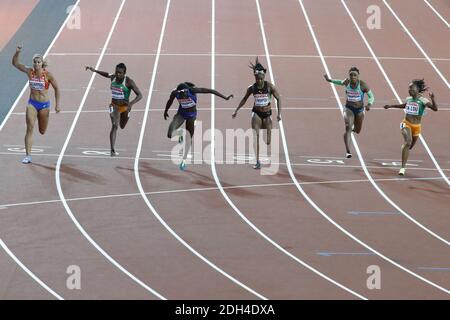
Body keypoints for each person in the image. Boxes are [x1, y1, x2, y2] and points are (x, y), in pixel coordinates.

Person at [164, 82, 233, 170]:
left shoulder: (192, 91)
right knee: (170, 134)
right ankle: (180, 134)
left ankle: (183, 161)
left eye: (183, 94)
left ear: (186, 91)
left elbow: (210, 91)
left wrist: (225, 97)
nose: (181, 96)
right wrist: (165, 111)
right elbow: (170, 101)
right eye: (180, 95)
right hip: (181, 115)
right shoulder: (175, 93)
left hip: (191, 116)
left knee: (189, 139)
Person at [12, 45, 60, 164]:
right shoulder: (29, 71)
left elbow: (57, 89)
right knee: (29, 128)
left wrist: (57, 105)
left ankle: (43, 122)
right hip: (32, 103)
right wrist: (17, 52)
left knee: (42, 131)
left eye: (38, 62)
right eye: (35, 62)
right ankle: (28, 156)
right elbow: (15, 63)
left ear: (42, 63)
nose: (36, 64)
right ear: (33, 63)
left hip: (44, 105)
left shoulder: (48, 75)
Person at [232, 58, 281, 169]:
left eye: (260, 78)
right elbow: (244, 99)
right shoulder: (252, 88)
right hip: (257, 114)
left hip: (267, 114)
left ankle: (267, 135)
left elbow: (279, 99)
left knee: (268, 142)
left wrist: (279, 114)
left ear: (263, 76)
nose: (258, 80)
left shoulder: (269, 87)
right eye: (257, 78)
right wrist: (236, 110)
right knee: (256, 138)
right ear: (255, 77)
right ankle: (257, 161)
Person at [85, 63, 142, 156]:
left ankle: (125, 116)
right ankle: (112, 149)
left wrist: (131, 104)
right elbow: (106, 74)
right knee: (115, 125)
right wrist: (95, 70)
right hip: (114, 106)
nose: (118, 74)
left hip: (125, 107)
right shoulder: (113, 77)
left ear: (124, 73)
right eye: (116, 72)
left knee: (122, 126)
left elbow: (140, 95)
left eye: (120, 73)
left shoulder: (129, 82)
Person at [384, 79, 438, 176]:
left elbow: (435, 109)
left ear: (418, 89)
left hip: (416, 127)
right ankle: (402, 168)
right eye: (409, 88)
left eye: (411, 88)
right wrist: (391, 106)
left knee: (409, 146)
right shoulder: (409, 99)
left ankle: (405, 147)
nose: (409, 90)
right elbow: (404, 106)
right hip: (406, 123)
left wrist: (433, 99)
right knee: (408, 141)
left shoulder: (423, 100)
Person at [324, 66, 374, 158]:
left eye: (355, 75)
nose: (353, 77)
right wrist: (329, 80)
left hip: (359, 110)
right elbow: (339, 82)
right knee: (348, 127)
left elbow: (372, 96)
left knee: (358, 131)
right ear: (349, 76)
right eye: (351, 75)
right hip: (349, 109)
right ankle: (348, 151)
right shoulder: (347, 82)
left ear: (358, 76)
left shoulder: (363, 85)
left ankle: (352, 130)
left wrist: (369, 104)